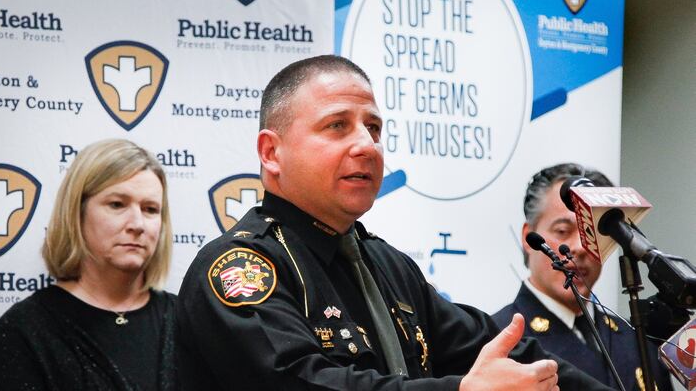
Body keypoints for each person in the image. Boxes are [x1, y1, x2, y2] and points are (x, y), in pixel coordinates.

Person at [176, 55, 612, 390]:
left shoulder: (387, 264)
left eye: (374, 128)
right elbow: (299, 380)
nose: (367, 145)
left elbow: (498, 348)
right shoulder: (240, 267)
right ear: (271, 153)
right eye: (336, 126)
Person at [0, 139, 177, 390]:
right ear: (77, 212)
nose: (137, 224)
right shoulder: (27, 330)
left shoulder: (187, 322)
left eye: (150, 209)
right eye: (117, 204)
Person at [492, 163, 672, 391]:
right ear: (529, 238)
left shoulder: (635, 339)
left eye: (591, 235)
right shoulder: (499, 340)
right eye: (562, 231)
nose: (579, 247)